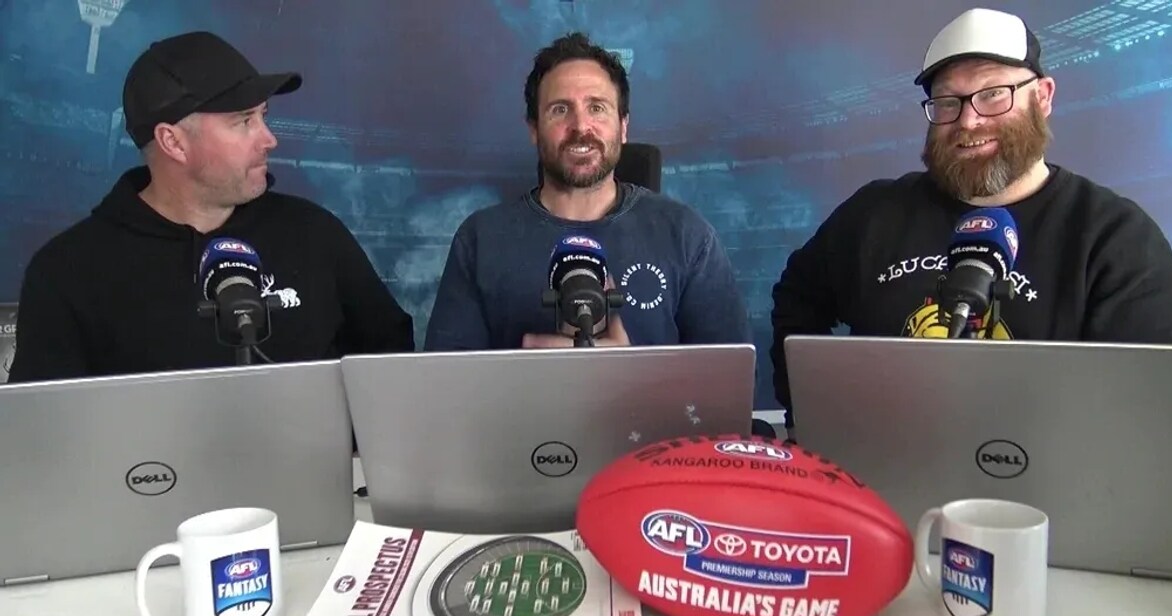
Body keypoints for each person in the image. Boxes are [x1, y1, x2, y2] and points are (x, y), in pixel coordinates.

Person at [770, 8, 1172, 423]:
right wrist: (814, 415)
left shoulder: (1115, 238)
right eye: (947, 101)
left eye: (993, 94)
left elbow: (1149, 409)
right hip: (878, 463)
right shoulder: (872, 214)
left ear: (1042, 96)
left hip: (1048, 467)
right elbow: (797, 299)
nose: (968, 121)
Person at [6, 31, 414, 383]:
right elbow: (48, 428)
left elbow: (392, 372)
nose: (269, 139)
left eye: (264, 116)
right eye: (244, 121)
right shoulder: (68, 273)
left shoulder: (315, 234)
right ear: (173, 142)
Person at [425, 32, 750, 350]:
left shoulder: (688, 237)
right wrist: (534, 378)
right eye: (560, 109)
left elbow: (731, 379)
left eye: (597, 108)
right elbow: (445, 380)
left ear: (623, 127)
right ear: (534, 129)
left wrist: (622, 375)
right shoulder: (480, 240)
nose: (581, 127)